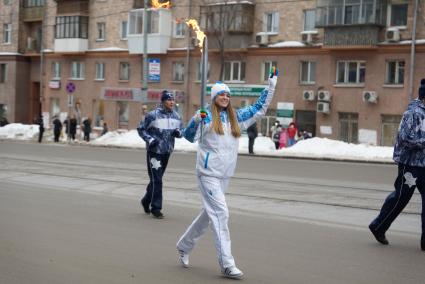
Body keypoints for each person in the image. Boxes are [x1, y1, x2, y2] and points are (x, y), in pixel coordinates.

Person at [176, 69, 278, 279]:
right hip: (207, 175)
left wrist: (271, 86)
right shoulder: (205, 117)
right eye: (221, 94)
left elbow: (259, 109)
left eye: (228, 95)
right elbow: (188, 137)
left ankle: (184, 246)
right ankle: (227, 264)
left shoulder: (236, 118)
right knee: (221, 214)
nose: (225, 97)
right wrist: (196, 119)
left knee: (208, 215)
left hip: (224, 176)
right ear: (214, 97)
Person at [369, 78, 425, 251]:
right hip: (411, 165)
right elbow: (404, 138)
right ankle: (378, 226)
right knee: (401, 197)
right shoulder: (413, 113)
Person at [137, 90, 183, 219]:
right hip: (154, 152)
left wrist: (178, 133)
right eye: (169, 100)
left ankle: (146, 200)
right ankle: (156, 208)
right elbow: (141, 129)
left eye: (173, 100)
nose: (172, 102)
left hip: (167, 151)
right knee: (157, 180)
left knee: (156, 180)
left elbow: (181, 129)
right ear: (163, 101)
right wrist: (150, 140)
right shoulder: (153, 115)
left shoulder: (176, 116)